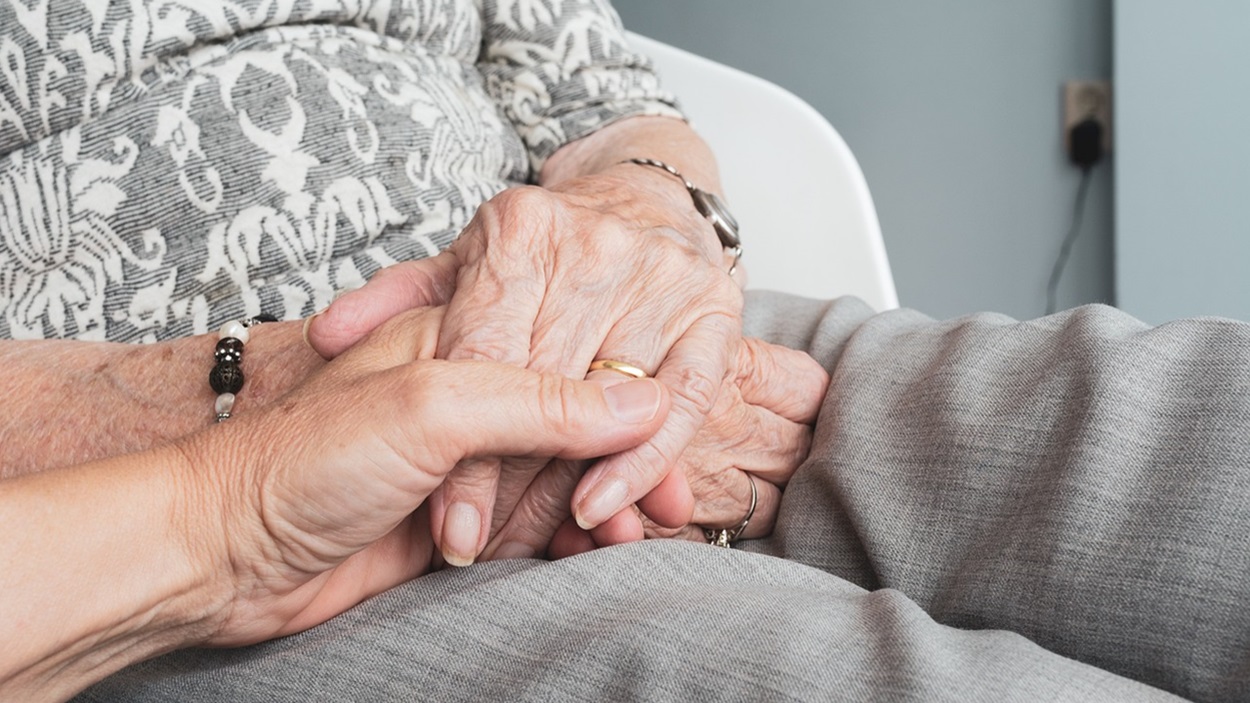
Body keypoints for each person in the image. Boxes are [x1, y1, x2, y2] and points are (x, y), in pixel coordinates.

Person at [3, 1, 1249, 702]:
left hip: (606, 329)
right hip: (162, 491)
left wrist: (648, 229)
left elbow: (602, 94)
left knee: (1185, 435)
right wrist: (263, 399)